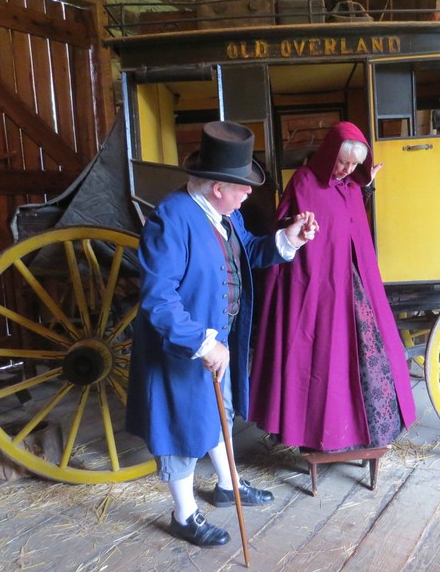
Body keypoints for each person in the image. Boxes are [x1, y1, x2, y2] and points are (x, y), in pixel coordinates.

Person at [126, 121, 318, 548]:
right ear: (217, 187)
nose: (249, 193)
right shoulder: (172, 218)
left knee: (219, 413)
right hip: (181, 349)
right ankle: (184, 515)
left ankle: (228, 485)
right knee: (180, 429)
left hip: (218, 342)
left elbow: (247, 251)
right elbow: (158, 297)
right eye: (242, 187)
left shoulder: (223, 216)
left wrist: (288, 238)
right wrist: (201, 343)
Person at [249, 121, 416, 455]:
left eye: (354, 164)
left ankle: (365, 433)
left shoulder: (352, 185)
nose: (347, 169)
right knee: (322, 358)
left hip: (354, 281)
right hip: (317, 282)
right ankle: (318, 434)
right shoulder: (304, 181)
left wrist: (364, 183)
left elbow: (350, 224)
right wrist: (296, 225)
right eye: (343, 163)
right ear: (328, 155)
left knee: (368, 352)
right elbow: (283, 222)